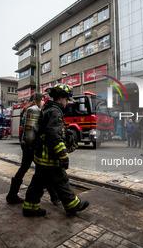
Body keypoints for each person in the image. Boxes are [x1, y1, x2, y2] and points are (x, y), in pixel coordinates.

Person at [23, 83, 89, 217]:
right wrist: (63, 155)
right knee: (61, 180)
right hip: (50, 157)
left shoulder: (47, 109)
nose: (67, 103)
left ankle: (30, 207)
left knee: (38, 183)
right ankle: (73, 206)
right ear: (61, 97)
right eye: (66, 99)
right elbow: (53, 135)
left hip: (41, 155)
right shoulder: (55, 111)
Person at [6, 93, 59, 205]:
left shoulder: (26, 109)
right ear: (38, 100)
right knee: (43, 169)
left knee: (24, 168)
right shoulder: (35, 110)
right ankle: (54, 196)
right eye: (42, 100)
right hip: (32, 145)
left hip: (26, 144)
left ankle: (11, 195)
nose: (44, 102)